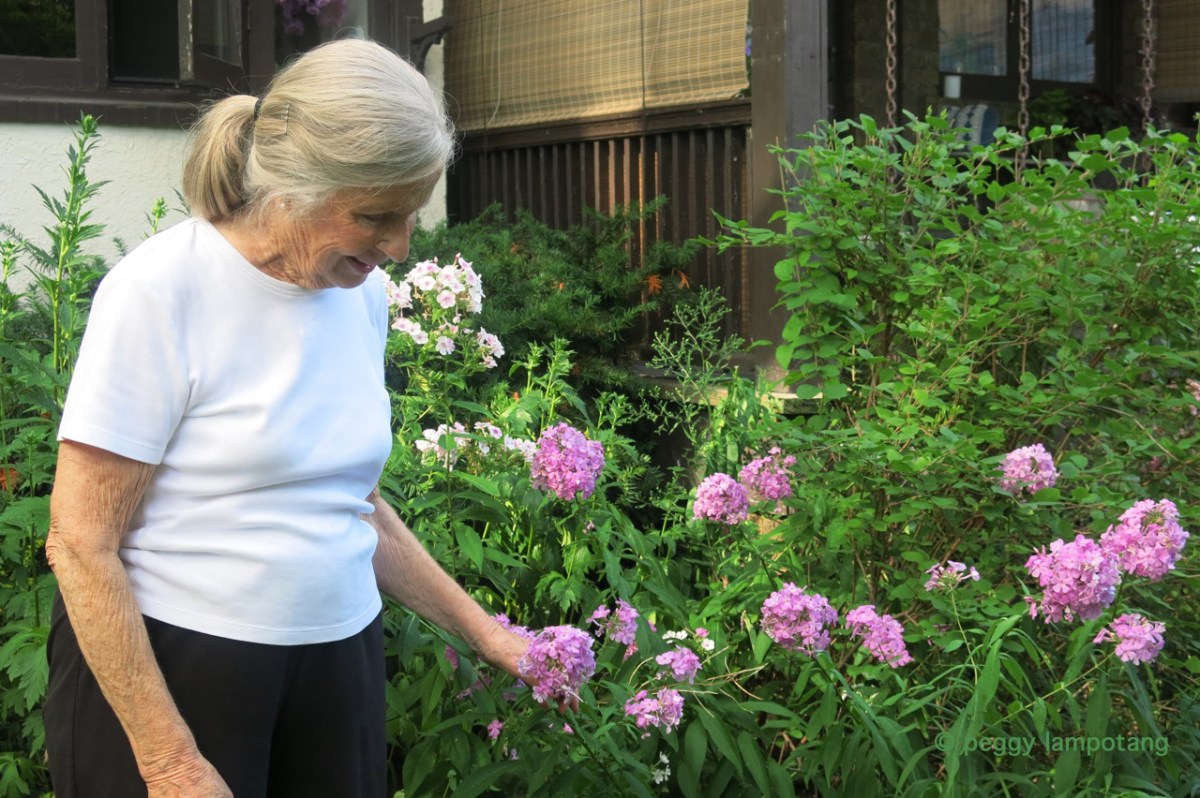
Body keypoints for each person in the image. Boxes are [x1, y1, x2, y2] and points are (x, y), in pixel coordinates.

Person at [43, 38, 534, 797]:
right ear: (292, 189)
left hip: (336, 670)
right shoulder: (160, 290)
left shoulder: (356, 293)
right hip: (178, 675)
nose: (399, 248)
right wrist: (170, 761)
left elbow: (353, 507)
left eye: (410, 217)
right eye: (377, 216)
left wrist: (493, 637)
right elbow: (80, 544)